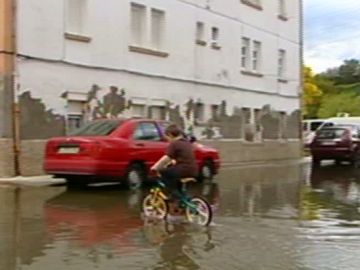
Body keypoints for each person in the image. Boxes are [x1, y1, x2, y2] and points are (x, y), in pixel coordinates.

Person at [150, 124, 198, 197]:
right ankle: (179, 199)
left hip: (183, 169)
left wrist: (155, 167)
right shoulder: (186, 142)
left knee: (163, 172)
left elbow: (166, 158)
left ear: (170, 135)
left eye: (167, 138)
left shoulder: (175, 143)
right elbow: (182, 157)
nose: (168, 140)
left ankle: (173, 193)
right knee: (174, 177)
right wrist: (173, 162)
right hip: (193, 170)